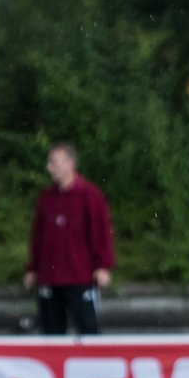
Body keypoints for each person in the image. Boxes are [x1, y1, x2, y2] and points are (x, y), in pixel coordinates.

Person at [24, 142, 115, 335]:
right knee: (51, 334)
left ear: (69, 164)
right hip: (49, 277)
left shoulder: (90, 196)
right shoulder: (46, 198)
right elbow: (37, 237)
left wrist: (103, 266)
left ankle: (91, 365)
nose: (49, 168)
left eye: (54, 163)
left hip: (80, 277)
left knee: (88, 331)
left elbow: (101, 233)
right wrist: (33, 268)